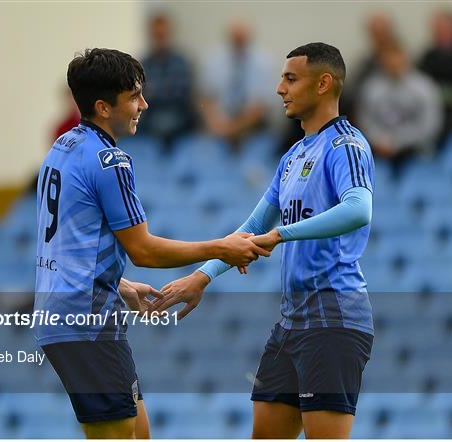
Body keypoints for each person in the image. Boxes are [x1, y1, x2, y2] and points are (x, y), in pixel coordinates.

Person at [34, 48, 270, 439]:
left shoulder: (62, 148)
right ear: (102, 107)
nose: (144, 104)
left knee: (139, 432)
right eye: (134, 97)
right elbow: (143, 250)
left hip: (64, 311)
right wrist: (221, 247)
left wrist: (119, 284)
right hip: (87, 320)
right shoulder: (110, 160)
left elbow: (64, 242)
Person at [156, 43, 375, 439]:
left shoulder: (347, 145)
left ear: (324, 83)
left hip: (334, 319)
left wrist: (281, 234)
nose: (279, 88)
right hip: (292, 323)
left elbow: (359, 209)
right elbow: (254, 225)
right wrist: (202, 277)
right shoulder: (292, 155)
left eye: (291, 78)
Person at [357, 43, 442, 175]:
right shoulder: (371, 88)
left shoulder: (424, 87)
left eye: (397, 61)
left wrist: (399, 143)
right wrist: (380, 140)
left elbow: (431, 124)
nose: (393, 65)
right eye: (389, 61)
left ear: (406, 60)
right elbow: (365, 120)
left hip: (416, 152)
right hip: (380, 153)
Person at [200, 19, 273, 149]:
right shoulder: (214, 62)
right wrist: (216, 124)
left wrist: (233, 128)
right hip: (220, 124)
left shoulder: (264, 64)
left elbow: (261, 107)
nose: (239, 42)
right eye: (235, 38)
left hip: (253, 128)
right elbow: (206, 99)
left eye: (242, 38)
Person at [139, 13, 196, 150]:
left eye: (162, 34)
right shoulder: (143, 64)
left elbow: (182, 93)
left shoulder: (181, 63)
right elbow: (141, 93)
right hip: (150, 115)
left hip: (178, 115)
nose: (160, 39)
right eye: (157, 35)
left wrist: (154, 91)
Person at [419, 9, 452, 141]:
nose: (441, 32)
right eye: (437, 29)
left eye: (445, 28)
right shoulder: (428, 58)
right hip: (437, 120)